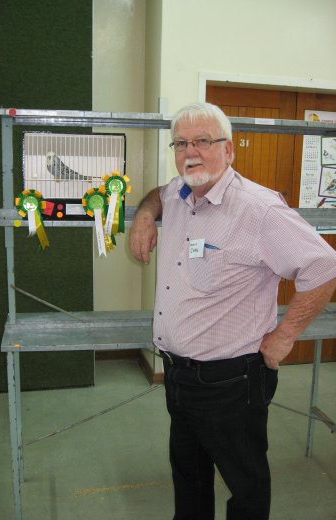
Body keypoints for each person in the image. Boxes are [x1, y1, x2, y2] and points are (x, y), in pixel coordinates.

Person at [129, 102, 336, 520]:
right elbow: (158, 194)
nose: (191, 152)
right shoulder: (181, 192)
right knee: (189, 477)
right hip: (179, 374)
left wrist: (284, 336)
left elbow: (324, 267)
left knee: (245, 486)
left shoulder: (257, 210)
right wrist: (146, 215)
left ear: (229, 150)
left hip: (231, 381)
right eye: (182, 143)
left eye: (203, 141)